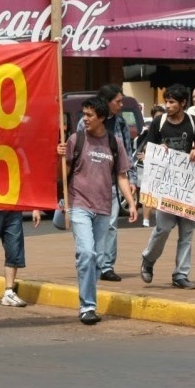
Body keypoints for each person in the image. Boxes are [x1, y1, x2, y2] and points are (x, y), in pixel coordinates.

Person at [58, 97, 138, 324]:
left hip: (104, 207)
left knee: (96, 260)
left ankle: (88, 302)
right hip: (79, 204)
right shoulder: (76, 139)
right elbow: (61, 176)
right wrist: (60, 156)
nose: (85, 119)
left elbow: (121, 176)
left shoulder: (114, 143)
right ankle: (88, 307)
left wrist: (131, 203)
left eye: (89, 115)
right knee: (86, 253)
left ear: (101, 118)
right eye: (84, 114)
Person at [139, 84, 195, 290]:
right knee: (163, 228)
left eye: (172, 102)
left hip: (186, 187)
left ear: (182, 103)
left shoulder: (192, 123)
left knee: (187, 233)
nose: (167, 105)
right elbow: (148, 149)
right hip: (166, 187)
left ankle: (181, 274)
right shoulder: (159, 123)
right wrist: (159, 149)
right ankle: (148, 259)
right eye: (166, 101)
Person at [75, 84, 136, 282]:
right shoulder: (83, 124)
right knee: (87, 227)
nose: (121, 105)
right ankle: (91, 262)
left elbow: (126, 153)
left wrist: (131, 180)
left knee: (110, 225)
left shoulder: (120, 124)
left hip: (110, 184)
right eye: (117, 101)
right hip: (84, 187)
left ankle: (106, 266)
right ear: (106, 103)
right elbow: (73, 153)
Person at [135, 105, 165, 227]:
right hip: (148, 165)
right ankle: (146, 220)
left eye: (160, 116)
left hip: (163, 165)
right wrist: (143, 155)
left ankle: (160, 219)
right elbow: (139, 145)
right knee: (147, 191)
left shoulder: (167, 129)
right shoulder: (147, 131)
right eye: (156, 117)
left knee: (161, 193)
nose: (158, 119)